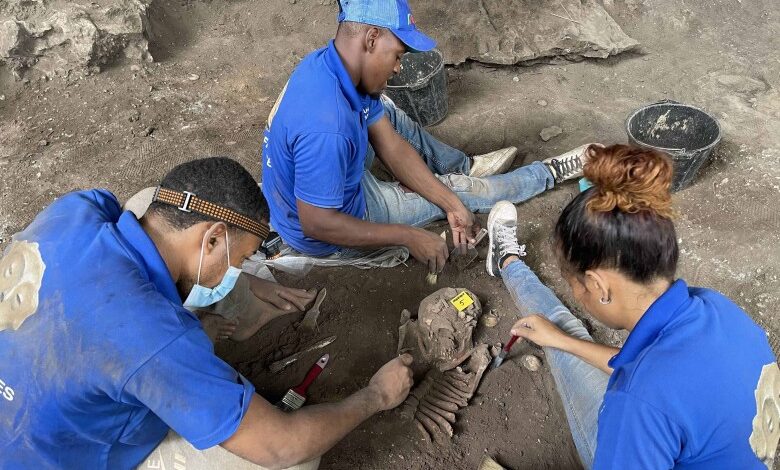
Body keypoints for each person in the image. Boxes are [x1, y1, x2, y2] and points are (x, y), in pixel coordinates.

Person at [0, 157, 413, 470]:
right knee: (296, 461)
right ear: (213, 238)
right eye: (242, 259)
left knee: (145, 201)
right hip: (53, 457)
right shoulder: (156, 340)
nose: (237, 273)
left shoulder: (79, 208)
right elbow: (281, 445)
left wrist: (247, 286)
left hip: (30, 387)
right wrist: (376, 396)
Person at [484, 145, 777, 469]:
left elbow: (649, 390)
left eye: (575, 284)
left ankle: (508, 262)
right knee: (563, 332)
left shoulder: (634, 405)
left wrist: (564, 338)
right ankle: (510, 264)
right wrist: (562, 340)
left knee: (561, 321)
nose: (578, 294)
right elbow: (663, 383)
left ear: (598, 285)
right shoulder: (717, 309)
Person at [261, 0, 589, 274]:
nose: (398, 68)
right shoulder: (327, 126)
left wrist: (450, 205)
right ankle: (547, 173)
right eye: (398, 55)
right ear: (372, 38)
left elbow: (391, 145)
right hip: (333, 222)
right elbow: (319, 223)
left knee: (386, 110)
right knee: (458, 189)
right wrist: (410, 235)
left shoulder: (331, 65)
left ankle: (465, 167)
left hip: (336, 174)